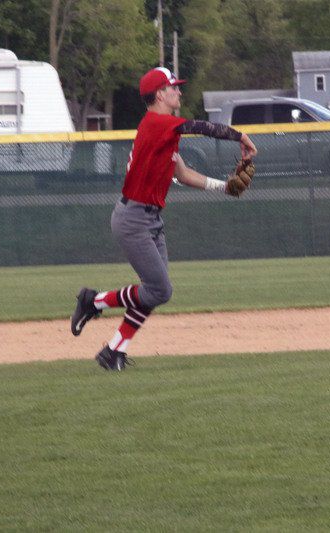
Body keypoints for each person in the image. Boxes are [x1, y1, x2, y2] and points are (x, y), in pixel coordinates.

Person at [70, 67, 257, 371]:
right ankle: (93, 301)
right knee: (160, 290)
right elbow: (202, 127)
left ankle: (114, 350)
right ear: (159, 94)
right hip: (133, 220)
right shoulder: (158, 124)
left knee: (154, 291)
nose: (179, 92)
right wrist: (240, 136)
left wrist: (224, 187)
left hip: (150, 219)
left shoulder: (163, 131)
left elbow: (183, 174)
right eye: (173, 88)